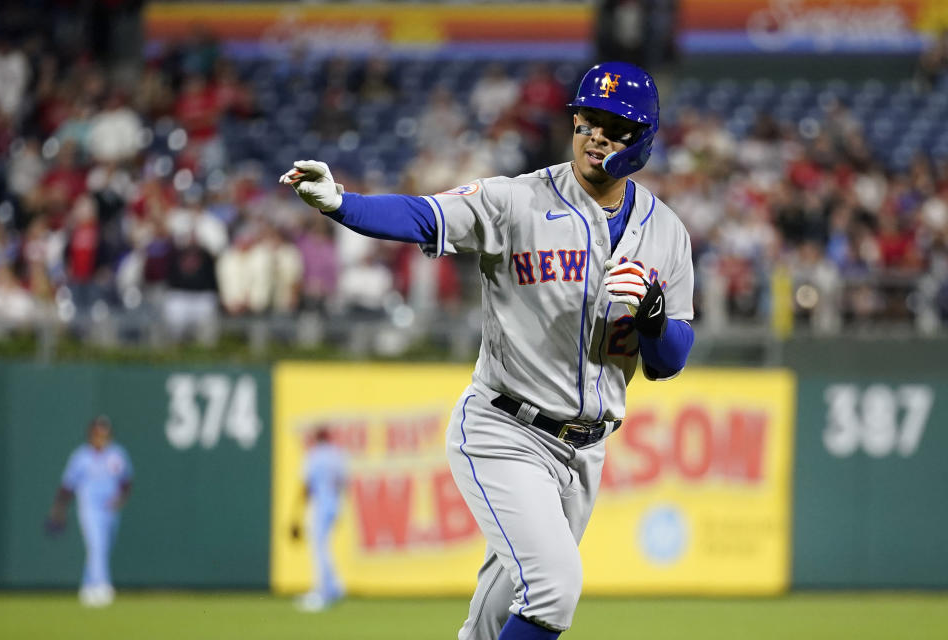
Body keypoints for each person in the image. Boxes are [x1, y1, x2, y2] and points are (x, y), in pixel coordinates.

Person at [280, 62, 694, 639]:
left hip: (585, 452)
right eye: (586, 119)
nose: (594, 134)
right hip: (505, 430)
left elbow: (669, 360)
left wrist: (651, 318)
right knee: (553, 587)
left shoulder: (667, 232)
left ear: (642, 139)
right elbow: (424, 215)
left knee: (493, 622)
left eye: (613, 125)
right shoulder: (517, 201)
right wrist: (341, 204)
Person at [46, 415, 133, 607]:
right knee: (97, 545)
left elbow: (126, 483)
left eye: (105, 433)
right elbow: (67, 487)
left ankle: (88, 587)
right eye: (98, 433)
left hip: (110, 509)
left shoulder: (116, 454)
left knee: (103, 547)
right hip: (90, 508)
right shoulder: (81, 457)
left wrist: (120, 500)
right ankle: (102, 586)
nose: (101, 436)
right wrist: (58, 509)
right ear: (91, 434)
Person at [292, 427, 348, 612]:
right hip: (333, 503)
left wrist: (296, 514)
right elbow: (342, 483)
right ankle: (334, 588)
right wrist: (339, 507)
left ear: (316, 439)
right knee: (323, 547)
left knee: (319, 548)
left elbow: (306, 486)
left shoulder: (314, 455)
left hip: (319, 505)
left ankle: (323, 592)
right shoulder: (336, 455)